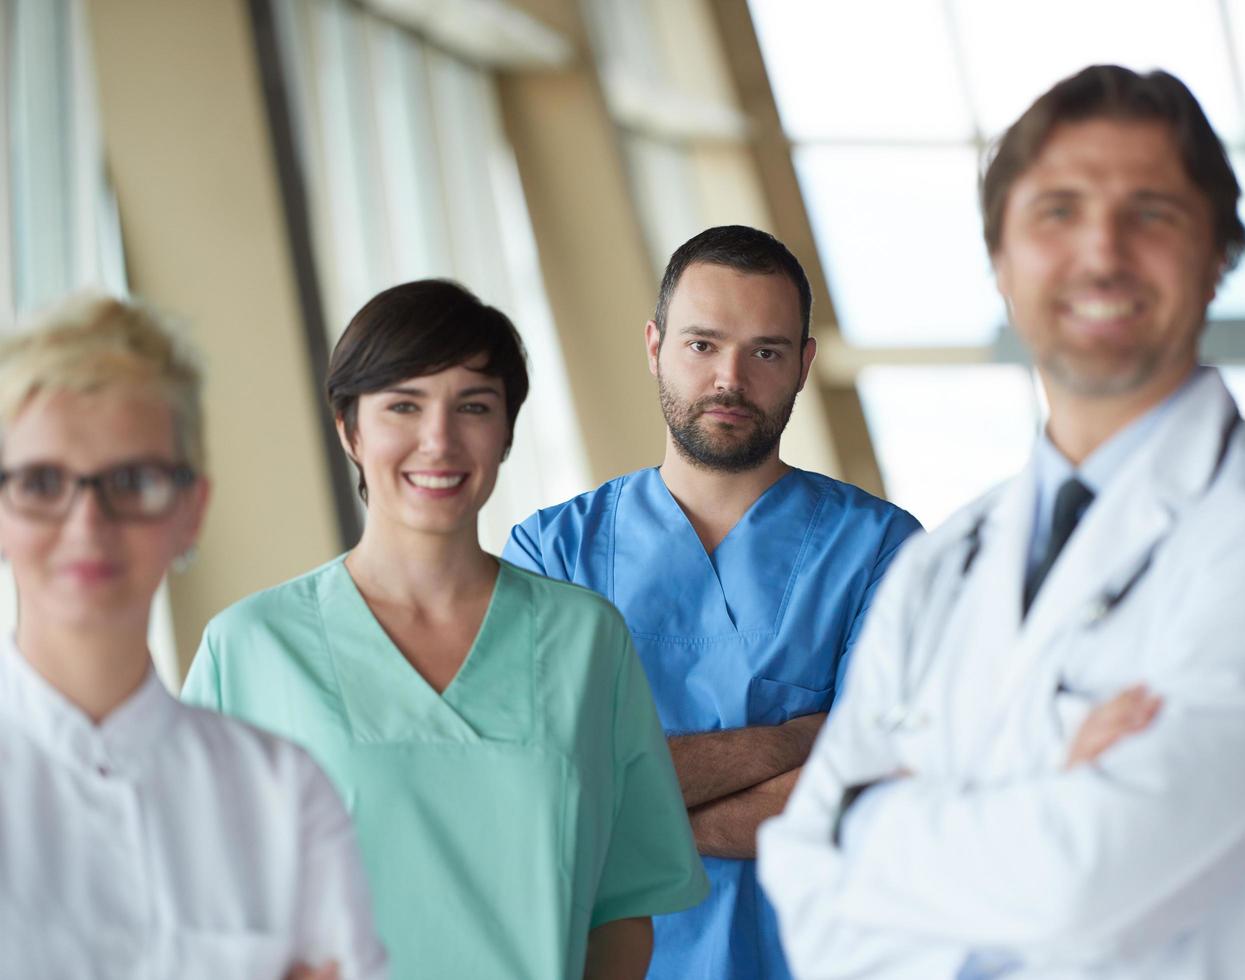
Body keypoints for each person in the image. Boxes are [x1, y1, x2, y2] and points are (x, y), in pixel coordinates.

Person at [758, 65, 1245, 979]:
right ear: (1002, 264)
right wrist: (1047, 794)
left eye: (1153, 212)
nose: (1102, 251)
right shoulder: (945, 564)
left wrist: (867, 819)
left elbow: (1081, 877)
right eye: (1056, 211)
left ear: (1218, 256)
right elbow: (805, 894)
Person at [183, 279, 707, 980]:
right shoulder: (250, 648)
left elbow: (623, 905)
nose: (439, 440)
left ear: (506, 432)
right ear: (350, 428)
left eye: (474, 406)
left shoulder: (587, 641)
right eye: (404, 405)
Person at [502, 225, 922, 979]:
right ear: (655, 345)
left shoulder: (882, 552)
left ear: (803, 364)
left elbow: (875, 791)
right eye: (703, 345)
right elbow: (540, 791)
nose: (730, 378)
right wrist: (799, 741)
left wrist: (619, 805)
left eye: (765, 351)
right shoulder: (550, 553)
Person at [0, 294, 386, 980]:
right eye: (41, 482)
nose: (88, 524)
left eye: (133, 481)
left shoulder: (282, 797)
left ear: (190, 510)